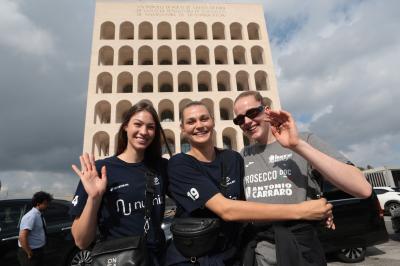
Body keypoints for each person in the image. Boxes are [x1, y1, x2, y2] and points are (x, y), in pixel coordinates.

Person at [166, 101, 334, 266]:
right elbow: (227, 210)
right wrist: (302, 210)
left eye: (204, 118)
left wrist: (319, 207)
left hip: (230, 255)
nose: (199, 125)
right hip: (193, 258)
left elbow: (256, 197)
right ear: (182, 128)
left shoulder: (233, 158)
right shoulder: (179, 164)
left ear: (213, 121)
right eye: (191, 121)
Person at [233, 91, 372, 266]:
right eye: (239, 120)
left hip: (302, 253)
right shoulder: (242, 156)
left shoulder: (303, 140)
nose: (246, 122)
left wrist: (297, 145)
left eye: (252, 113)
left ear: (267, 110)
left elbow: (362, 188)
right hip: (260, 256)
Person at [69, 101, 169, 265]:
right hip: (118, 260)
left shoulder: (161, 167)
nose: (144, 132)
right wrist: (94, 198)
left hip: (156, 259)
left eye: (150, 127)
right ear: (125, 127)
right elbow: (81, 241)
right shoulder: (101, 170)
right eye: (138, 124)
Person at [18, 191, 53, 266]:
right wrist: (29, 253)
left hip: (38, 250)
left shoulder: (39, 215)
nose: (47, 206)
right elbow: (22, 237)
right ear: (38, 204)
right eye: (45, 204)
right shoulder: (31, 216)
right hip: (31, 251)